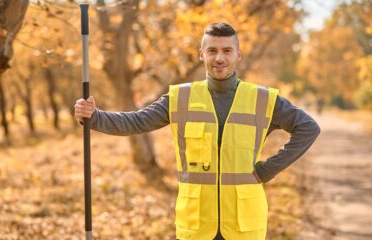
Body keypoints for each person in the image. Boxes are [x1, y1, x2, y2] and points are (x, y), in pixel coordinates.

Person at [74, 22, 321, 240]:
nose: (219, 58)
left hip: (244, 224)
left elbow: (308, 128)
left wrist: (268, 170)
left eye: (227, 50)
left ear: (238, 55)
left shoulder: (263, 99)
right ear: (201, 54)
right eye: (212, 51)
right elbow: (136, 121)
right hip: (197, 224)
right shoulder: (180, 98)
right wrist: (95, 117)